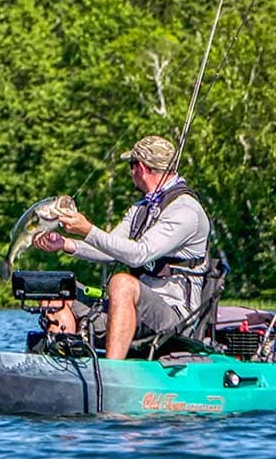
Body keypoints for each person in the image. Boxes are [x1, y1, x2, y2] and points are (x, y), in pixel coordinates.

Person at [32, 135, 210, 359]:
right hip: (130, 311)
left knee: (122, 283)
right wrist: (65, 244)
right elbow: (109, 249)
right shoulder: (141, 208)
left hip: (175, 318)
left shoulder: (185, 211)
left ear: (141, 168)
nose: (130, 172)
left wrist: (88, 229)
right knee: (55, 288)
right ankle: (60, 366)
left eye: (131, 165)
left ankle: (112, 372)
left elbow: (138, 255)